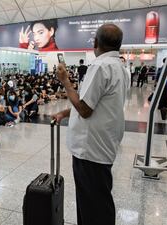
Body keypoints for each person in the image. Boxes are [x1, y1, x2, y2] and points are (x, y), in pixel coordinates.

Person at [52, 23, 129, 225]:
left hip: (90, 148)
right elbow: (99, 105)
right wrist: (65, 112)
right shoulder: (121, 68)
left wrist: (65, 81)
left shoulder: (100, 66)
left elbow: (85, 110)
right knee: (99, 199)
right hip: (104, 143)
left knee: (92, 204)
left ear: (96, 42)